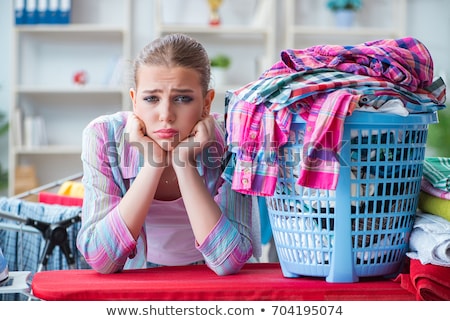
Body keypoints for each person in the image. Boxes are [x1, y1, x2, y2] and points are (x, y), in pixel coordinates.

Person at [76, 33, 259, 275]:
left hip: (210, 278)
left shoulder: (231, 140)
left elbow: (228, 262)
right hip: (138, 277)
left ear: (206, 102)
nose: (166, 114)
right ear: (134, 101)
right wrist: (154, 163)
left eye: (182, 98)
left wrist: (184, 163)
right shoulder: (103, 135)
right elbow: (102, 259)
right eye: (151, 98)